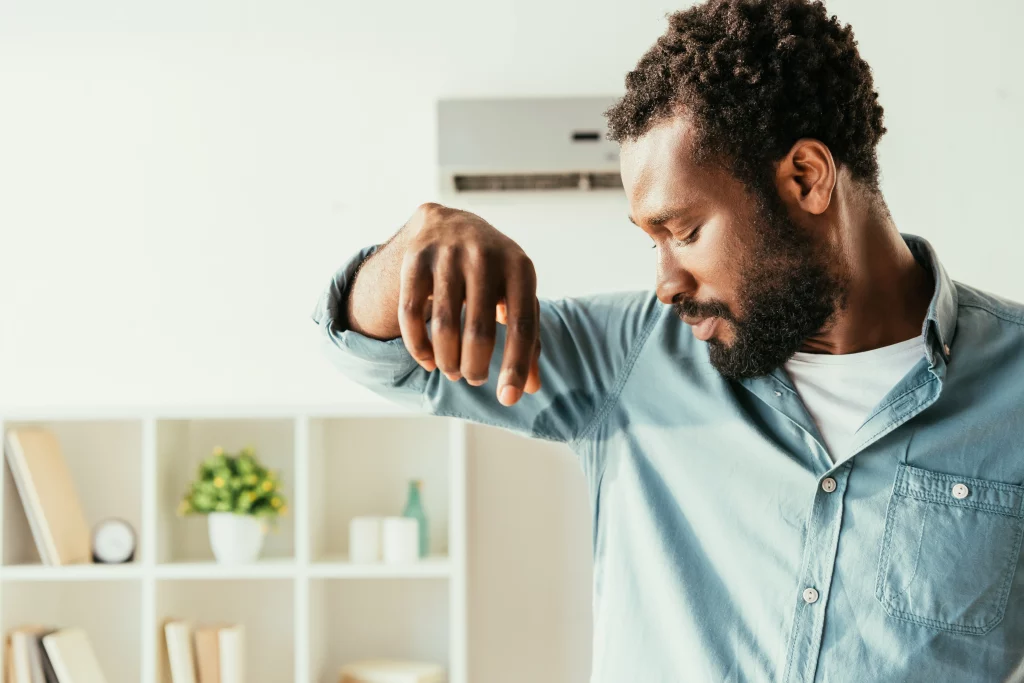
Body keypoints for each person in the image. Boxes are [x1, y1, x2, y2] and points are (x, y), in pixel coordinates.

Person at [312, 0, 1024, 680]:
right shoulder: (633, 355)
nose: (666, 282)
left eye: (683, 231)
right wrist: (411, 251)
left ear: (806, 178)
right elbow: (378, 354)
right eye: (651, 239)